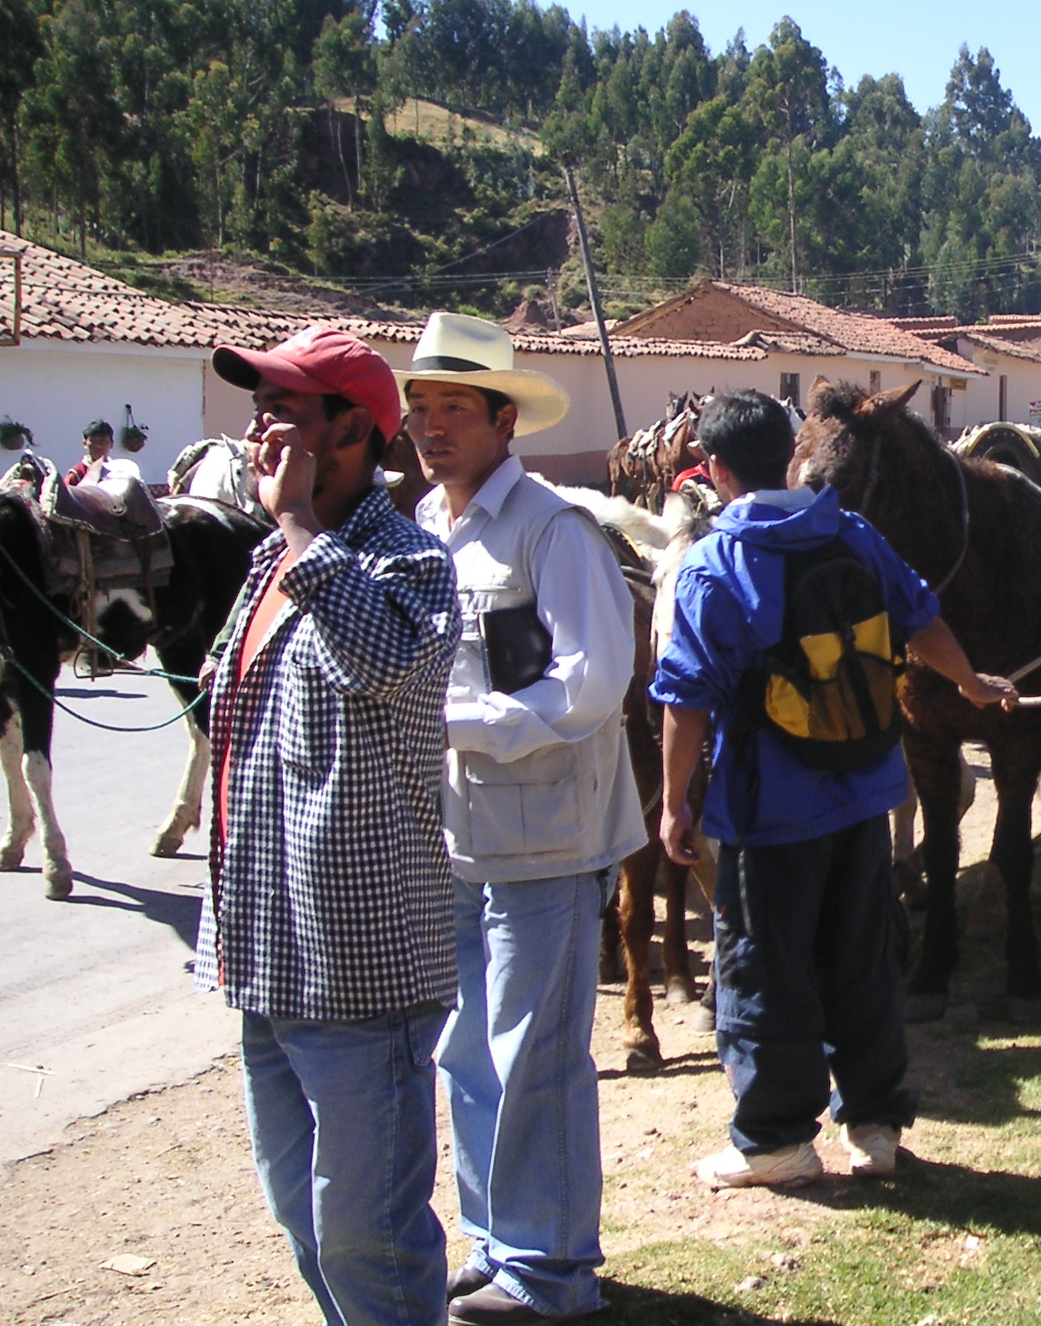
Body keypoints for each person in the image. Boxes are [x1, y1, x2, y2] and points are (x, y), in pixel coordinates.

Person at [652, 391, 1015, 1189]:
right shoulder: (852, 534)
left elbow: (685, 697)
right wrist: (974, 683)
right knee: (861, 958)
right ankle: (875, 1125)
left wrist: (676, 803)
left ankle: (775, 1139)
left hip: (766, 811)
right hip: (864, 794)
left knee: (763, 968)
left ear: (712, 473)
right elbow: (924, 618)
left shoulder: (717, 564)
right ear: (790, 456)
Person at [197, 324, 461, 1325]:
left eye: (285, 409)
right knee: (304, 1223)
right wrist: (292, 536)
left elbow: (387, 665)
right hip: (267, 960)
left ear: (354, 432)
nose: (261, 426)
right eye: (259, 404)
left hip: (359, 974)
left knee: (371, 1236)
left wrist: (304, 528)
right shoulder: (272, 560)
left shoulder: (406, 562)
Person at [401, 314, 643, 1325]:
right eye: (421, 406)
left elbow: (594, 684)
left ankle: (551, 1273)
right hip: (458, 837)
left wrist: (456, 724)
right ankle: (500, 1244)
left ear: (505, 420)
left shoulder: (552, 530)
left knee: (534, 1053)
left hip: (547, 837)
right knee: (468, 1052)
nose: (431, 425)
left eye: (455, 407)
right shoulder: (426, 525)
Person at [64, 419, 144, 486]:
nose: (98, 446)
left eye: (103, 441)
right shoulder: (76, 475)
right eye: (94, 441)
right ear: (85, 444)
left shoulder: (120, 473)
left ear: (111, 444)